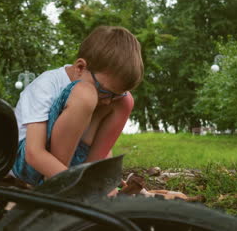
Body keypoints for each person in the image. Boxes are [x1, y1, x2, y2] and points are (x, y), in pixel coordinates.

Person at [10, 26, 144, 188]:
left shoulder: (106, 94)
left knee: (126, 100)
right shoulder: (46, 85)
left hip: (73, 166)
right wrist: (78, 185)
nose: (109, 101)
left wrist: (104, 178)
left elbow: (99, 143)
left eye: (115, 95)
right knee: (85, 93)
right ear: (80, 67)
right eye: (105, 91)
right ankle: (57, 185)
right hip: (30, 164)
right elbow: (34, 153)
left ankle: (90, 178)